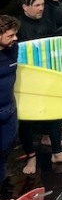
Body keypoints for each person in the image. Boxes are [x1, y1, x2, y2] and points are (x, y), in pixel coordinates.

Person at [17, 0, 62, 175]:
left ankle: (56, 152)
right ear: (25, 7)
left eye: (42, 5)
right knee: (26, 121)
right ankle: (31, 158)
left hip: (48, 74)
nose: (41, 8)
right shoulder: (19, 27)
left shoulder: (45, 19)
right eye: (36, 5)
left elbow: (54, 40)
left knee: (53, 110)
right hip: (27, 80)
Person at [0, 16, 19, 187]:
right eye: (10, 35)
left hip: (9, 111)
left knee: (5, 149)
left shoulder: (14, 49)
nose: (15, 38)